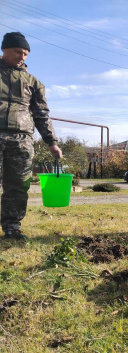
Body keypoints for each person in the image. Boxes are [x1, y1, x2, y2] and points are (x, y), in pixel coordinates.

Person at [0, 32, 63, 241]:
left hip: (22, 140)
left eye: (26, 54)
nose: (22, 57)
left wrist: (52, 142)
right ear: (4, 49)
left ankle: (12, 228)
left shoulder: (33, 83)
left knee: (18, 184)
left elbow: (42, 114)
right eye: (18, 51)